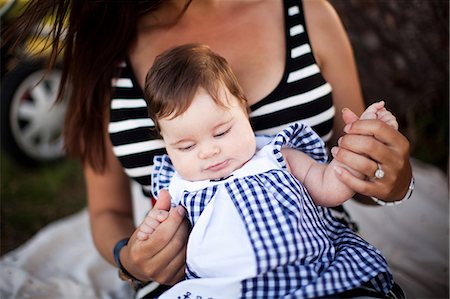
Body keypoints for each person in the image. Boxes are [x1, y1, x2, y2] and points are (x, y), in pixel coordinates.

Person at [7, 0, 414, 297]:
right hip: (193, 284)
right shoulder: (101, 48)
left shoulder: (308, 13)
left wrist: (390, 180)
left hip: (321, 265)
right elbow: (107, 211)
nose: (207, 152)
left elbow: (355, 166)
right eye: (185, 144)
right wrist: (129, 259)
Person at [136, 43, 403, 298]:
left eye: (222, 132)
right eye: (186, 146)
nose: (208, 151)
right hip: (224, 291)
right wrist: (150, 229)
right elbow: (162, 240)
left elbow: (330, 186)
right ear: (166, 145)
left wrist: (362, 143)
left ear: (244, 109)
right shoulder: (178, 188)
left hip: (314, 276)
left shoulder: (275, 157)